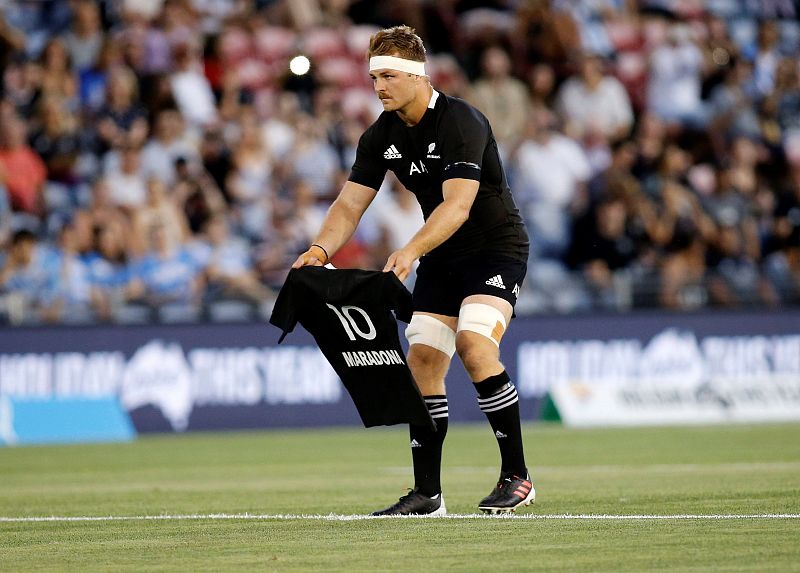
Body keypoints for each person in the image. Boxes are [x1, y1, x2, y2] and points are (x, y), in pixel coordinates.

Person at [291, 25, 533, 516]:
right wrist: (319, 249)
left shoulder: (462, 120)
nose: (379, 86)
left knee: (474, 344)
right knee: (421, 362)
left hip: (495, 250)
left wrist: (410, 250)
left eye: (388, 76)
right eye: (374, 76)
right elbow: (348, 206)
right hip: (443, 256)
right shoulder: (380, 133)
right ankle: (428, 494)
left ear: (418, 77)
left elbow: (458, 205)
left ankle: (518, 477)